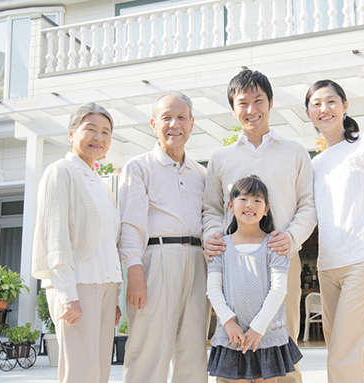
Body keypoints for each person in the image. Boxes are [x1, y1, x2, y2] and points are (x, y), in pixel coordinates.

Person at [203, 69, 317, 383]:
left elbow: (308, 205)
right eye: (243, 103)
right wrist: (212, 237)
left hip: (282, 258)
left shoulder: (293, 152)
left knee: (282, 339)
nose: (251, 110)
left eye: (258, 101)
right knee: (235, 338)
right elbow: (211, 208)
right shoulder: (221, 157)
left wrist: (291, 237)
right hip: (232, 262)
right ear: (232, 108)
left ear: (270, 103)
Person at [304, 80, 364, 383]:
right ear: (309, 113)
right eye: (316, 104)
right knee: (344, 350)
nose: (325, 109)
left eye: (331, 101)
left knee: (343, 354)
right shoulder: (315, 164)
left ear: (345, 106)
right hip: (328, 265)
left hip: (363, 259)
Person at [119, 91, 208, 383]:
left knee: (194, 351)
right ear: (153, 124)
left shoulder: (201, 173)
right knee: (149, 350)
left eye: (181, 117)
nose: (174, 124)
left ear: (192, 123)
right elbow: (130, 224)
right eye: (166, 117)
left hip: (197, 262)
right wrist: (134, 272)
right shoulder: (138, 167)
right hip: (155, 261)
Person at [31, 102, 123, 383]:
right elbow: (55, 237)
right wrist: (68, 295)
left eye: (106, 132)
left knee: (100, 372)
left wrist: (115, 294)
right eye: (91, 129)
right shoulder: (60, 172)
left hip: (105, 286)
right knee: (81, 371)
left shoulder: (100, 181)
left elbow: (108, 242)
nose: (99, 137)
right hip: (77, 286)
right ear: (72, 134)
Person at [207, 175, 302, 382]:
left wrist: (258, 328)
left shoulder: (274, 246)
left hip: (266, 335)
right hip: (233, 335)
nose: (250, 205)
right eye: (243, 199)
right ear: (231, 205)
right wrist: (228, 322)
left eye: (257, 200)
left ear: (266, 209)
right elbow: (213, 289)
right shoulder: (220, 246)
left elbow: (278, 290)